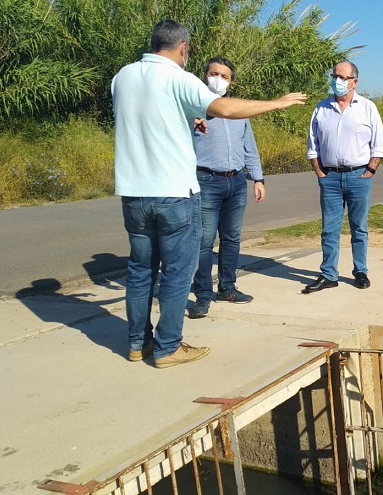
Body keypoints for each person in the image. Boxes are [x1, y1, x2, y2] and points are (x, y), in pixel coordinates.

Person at [112, 19, 306, 368]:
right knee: (175, 271)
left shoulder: (122, 77)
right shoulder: (179, 79)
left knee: (140, 272)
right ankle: (169, 347)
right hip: (172, 192)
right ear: (183, 47)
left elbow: (149, 118)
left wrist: (189, 120)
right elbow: (227, 108)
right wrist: (277, 103)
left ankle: (138, 344)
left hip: (133, 193)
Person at [187, 57, 265, 319]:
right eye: (213, 73)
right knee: (204, 241)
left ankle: (228, 288)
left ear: (231, 81)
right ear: (205, 75)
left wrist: (258, 179)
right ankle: (203, 295)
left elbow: (249, 147)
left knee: (231, 238)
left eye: (224, 76)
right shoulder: (193, 107)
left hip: (236, 181)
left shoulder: (238, 110)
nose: (217, 79)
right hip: (206, 180)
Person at [304, 61, 383, 293]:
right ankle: (329, 274)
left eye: (342, 77)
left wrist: (369, 171)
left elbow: (379, 145)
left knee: (358, 227)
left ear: (354, 82)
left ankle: (360, 271)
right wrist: (319, 172)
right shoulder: (322, 108)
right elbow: (313, 145)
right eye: (334, 76)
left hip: (358, 175)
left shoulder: (367, 108)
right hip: (330, 177)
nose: (337, 81)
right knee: (329, 229)